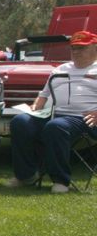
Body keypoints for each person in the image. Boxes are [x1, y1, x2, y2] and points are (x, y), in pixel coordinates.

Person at [6, 30, 97, 193]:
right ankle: (25, 176)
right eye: (73, 48)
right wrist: (34, 108)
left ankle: (61, 180)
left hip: (85, 118)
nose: (76, 52)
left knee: (56, 126)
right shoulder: (61, 69)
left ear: (95, 48)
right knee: (20, 122)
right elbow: (43, 95)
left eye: (82, 48)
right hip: (54, 114)